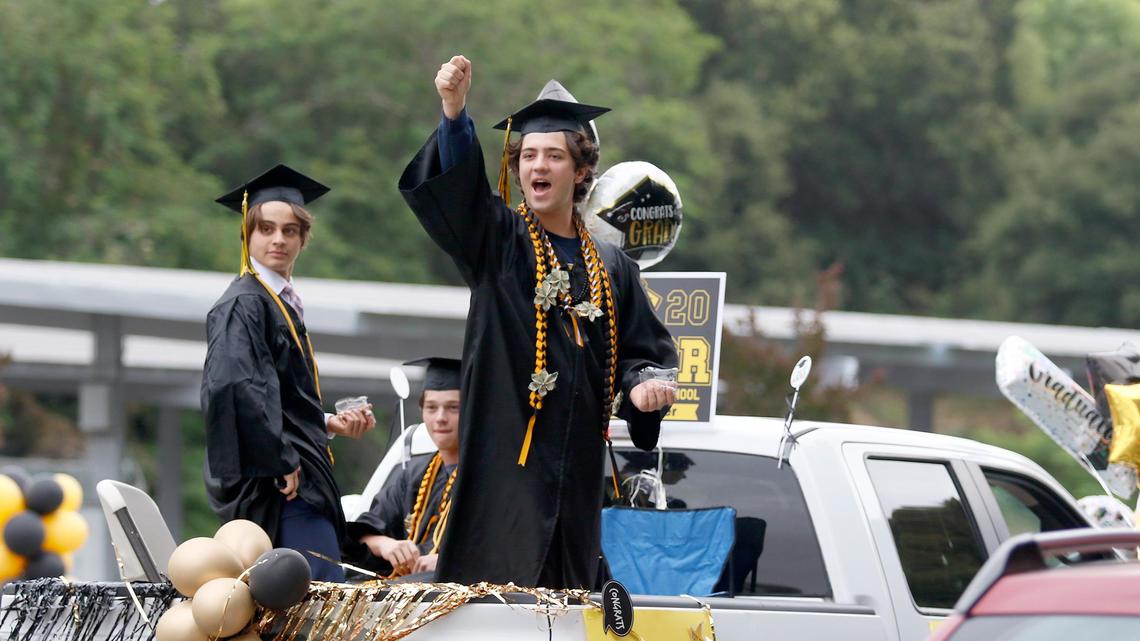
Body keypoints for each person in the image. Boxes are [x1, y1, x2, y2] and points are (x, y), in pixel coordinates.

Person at [398, 55, 678, 589]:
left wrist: (643, 386)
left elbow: (644, 352)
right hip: (505, 477)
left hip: (575, 485)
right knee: (498, 601)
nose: (537, 167)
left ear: (581, 171)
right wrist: (455, 114)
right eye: (528, 155)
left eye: (553, 155)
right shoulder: (497, 243)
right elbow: (459, 202)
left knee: (569, 602)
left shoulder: (613, 267)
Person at [202, 164, 375, 582]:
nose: (278, 239)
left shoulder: (276, 300)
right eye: (265, 229)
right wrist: (277, 456)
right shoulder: (245, 303)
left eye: (290, 230)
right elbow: (235, 386)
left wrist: (326, 423)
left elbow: (274, 392)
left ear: (303, 238)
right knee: (313, 604)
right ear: (247, 234)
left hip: (295, 479)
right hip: (281, 489)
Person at [345, 357, 461, 578]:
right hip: (399, 597)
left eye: (453, 408)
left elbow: (504, 547)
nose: (440, 418)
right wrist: (386, 544)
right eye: (431, 407)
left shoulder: (489, 480)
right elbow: (361, 534)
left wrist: (449, 562)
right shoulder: (412, 475)